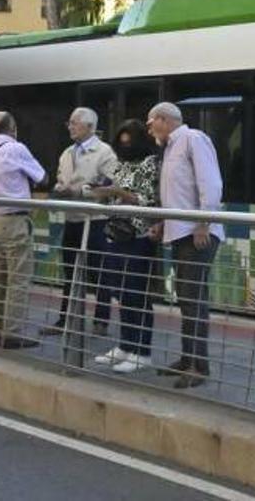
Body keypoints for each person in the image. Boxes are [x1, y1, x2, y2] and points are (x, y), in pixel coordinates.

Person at [147, 102, 223, 389]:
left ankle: (198, 366)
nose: (149, 128)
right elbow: (178, 193)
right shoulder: (170, 147)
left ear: (164, 119)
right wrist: (165, 223)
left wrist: (204, 221)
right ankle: (188, 357)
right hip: (182, 232)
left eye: (151, 121)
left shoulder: (193, 139)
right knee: (186, 298)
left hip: (197, 233)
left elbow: (211, 184)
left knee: (193, 299)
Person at [90, 120, 160, 373]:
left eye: (129, 140)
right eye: (121, 140)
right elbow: (113, 193)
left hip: (138, 236)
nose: (124, 145)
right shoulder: (120, 164)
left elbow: (149, 200)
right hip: (114, 232)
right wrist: (103, 192)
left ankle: (142, 350)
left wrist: (120, 193)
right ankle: (126, 344)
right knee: (118, 289)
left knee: (136, 292)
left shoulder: (150, 163)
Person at [43, 107, 119, 336]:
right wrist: (60, 188)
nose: (70, 126)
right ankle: (67, 319)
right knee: (70, 272)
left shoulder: (105, 152)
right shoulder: (67, 153)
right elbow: (60, 178)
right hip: (72, 219)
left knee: (99, 272)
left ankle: (101, 321)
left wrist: (78, 191)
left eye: (74, 122)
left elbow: (110, 186)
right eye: (70, 122)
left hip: (95, 219)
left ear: (89, 126)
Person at [0, 111, 46, 349]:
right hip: (14, 221)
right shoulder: (16, 148)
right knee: (18, 280)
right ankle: (12, 333)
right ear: (12, 127)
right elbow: (42, 176)